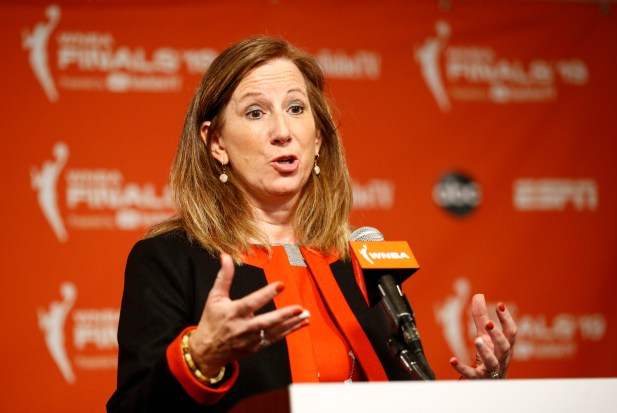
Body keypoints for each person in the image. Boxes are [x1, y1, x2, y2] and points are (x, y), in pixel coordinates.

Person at [107, 37, 517, 413]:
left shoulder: (360, 261)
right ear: (216, 143)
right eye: (255, 112)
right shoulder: (170, 260)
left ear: (318, 137)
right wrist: (200, 359)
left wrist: (474, 395)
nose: (283, 132)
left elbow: (403, 396)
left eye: (296, 108)